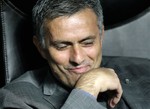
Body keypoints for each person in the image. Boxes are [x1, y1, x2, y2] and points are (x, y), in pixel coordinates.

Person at [0, 0, 150, 109]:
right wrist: (88, 88)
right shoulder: (15, 99)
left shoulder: (146, 70)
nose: (78, 58)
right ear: (41, 47)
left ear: (101, 36)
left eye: (87, 43)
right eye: (62, 46)